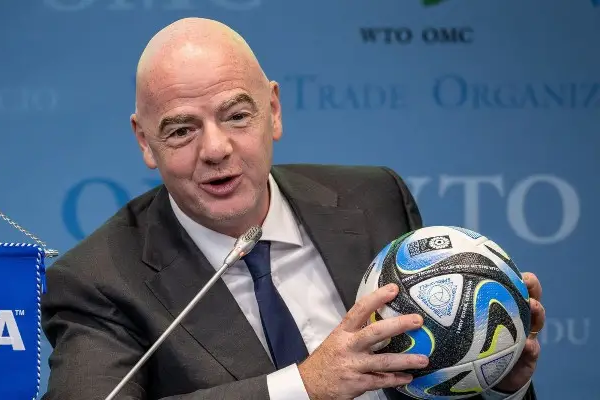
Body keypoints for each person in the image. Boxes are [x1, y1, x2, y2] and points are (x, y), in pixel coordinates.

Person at [41, 17, 545, 400]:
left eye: (236, 115)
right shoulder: (99, 281)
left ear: (274, 110)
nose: (215, 149)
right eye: (181, 130)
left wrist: (497, 382)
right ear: (145, 141)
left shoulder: (374, 200)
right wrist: (304, 386)